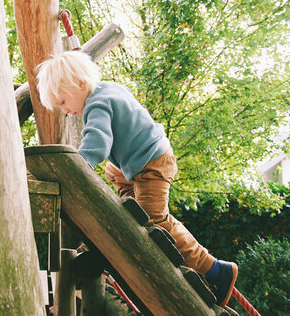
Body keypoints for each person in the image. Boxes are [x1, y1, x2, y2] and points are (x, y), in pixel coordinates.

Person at [35, 50, 237, 306]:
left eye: (63, 102)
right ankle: (126, 206)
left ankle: (216, 269)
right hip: (136, 164)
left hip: (151, 164)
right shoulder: (109, 89)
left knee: (153, 221)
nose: (65, 110)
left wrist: (72, 167)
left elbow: (97, 144)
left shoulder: (97, 104)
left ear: (79, 83)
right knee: (113, 173)